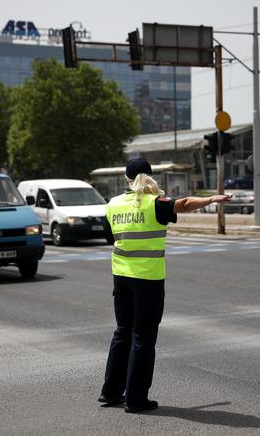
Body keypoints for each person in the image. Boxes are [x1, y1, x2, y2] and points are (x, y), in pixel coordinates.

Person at [98, 158, 231, 413]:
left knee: (122, 332)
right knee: (143, 338)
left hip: (121, 278)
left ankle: (111, 392)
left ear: (126, 179)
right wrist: (212, 199)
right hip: (148, 280)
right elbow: (184, 204)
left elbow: (108, 236)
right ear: (149, 176)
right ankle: (136, 399)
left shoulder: (113, 204)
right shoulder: (155, 202)